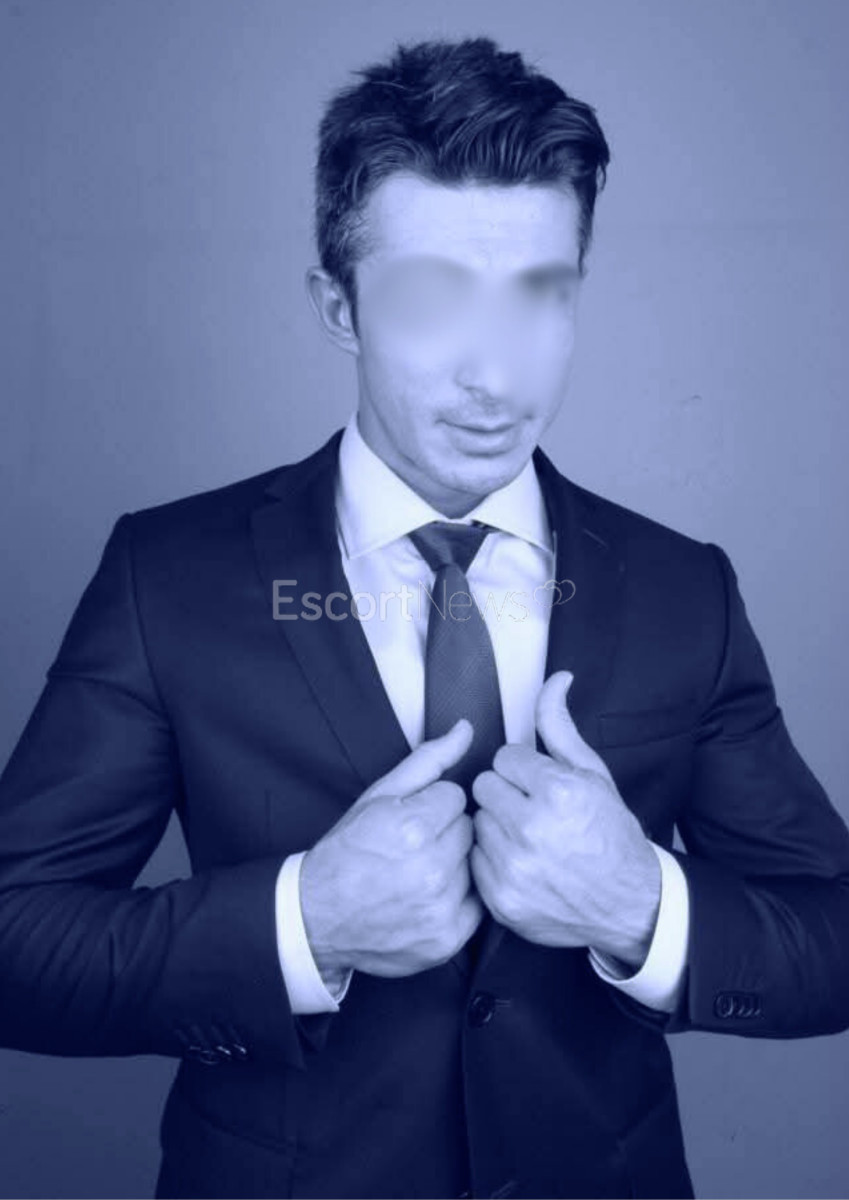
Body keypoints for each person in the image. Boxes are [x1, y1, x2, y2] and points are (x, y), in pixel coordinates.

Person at [1, 34, 848, 1200]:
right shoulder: (167, 577)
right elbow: (14, 941)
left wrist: (645, 906)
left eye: (540, 293)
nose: (495, 375)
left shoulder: (681, 589)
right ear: (338, 307)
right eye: (433, 298)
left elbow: (831, 935)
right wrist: (304, 924)